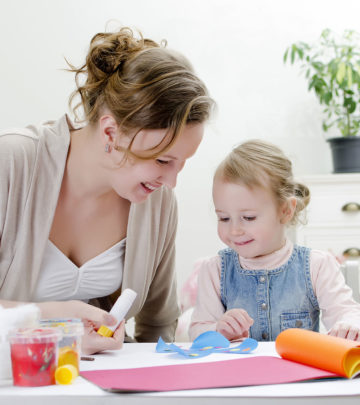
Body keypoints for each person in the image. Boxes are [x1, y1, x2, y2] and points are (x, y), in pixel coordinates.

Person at [0, 26, 214, 354]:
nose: (171, 182)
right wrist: (52, 319)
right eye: (162, 160)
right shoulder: (12, 163)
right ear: (110, 131)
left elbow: (158, 325)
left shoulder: (157, 201)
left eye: (182, 162)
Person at [189, 140, 360, 342]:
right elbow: (197, 332)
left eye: (249, 217)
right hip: (238, 373)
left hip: (302, 373)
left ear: (285, 210)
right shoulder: (215, 270)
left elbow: (346, 312)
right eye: (224, 218)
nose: (234, 230)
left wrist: (349, 326)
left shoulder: (317, 265)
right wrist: (219, 330)